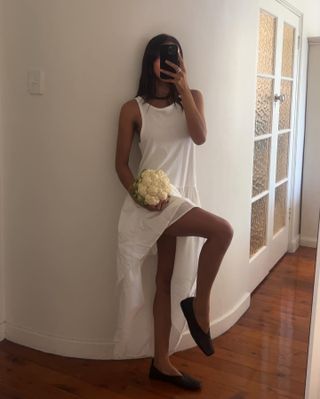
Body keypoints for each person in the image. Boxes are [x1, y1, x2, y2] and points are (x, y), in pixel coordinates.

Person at [114, 33, 233, 390]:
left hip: (181, 200)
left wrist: (184, 88)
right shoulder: (133, 109)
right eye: (163, 57)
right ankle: (162, 361)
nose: (168, 63)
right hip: (151, 206)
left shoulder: (192, 99)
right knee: (162, 280)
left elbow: (200, 137)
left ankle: (197, 310)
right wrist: (142, 196)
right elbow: (121, 165)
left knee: (220, 231)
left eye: (175, 57)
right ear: (150, 61)